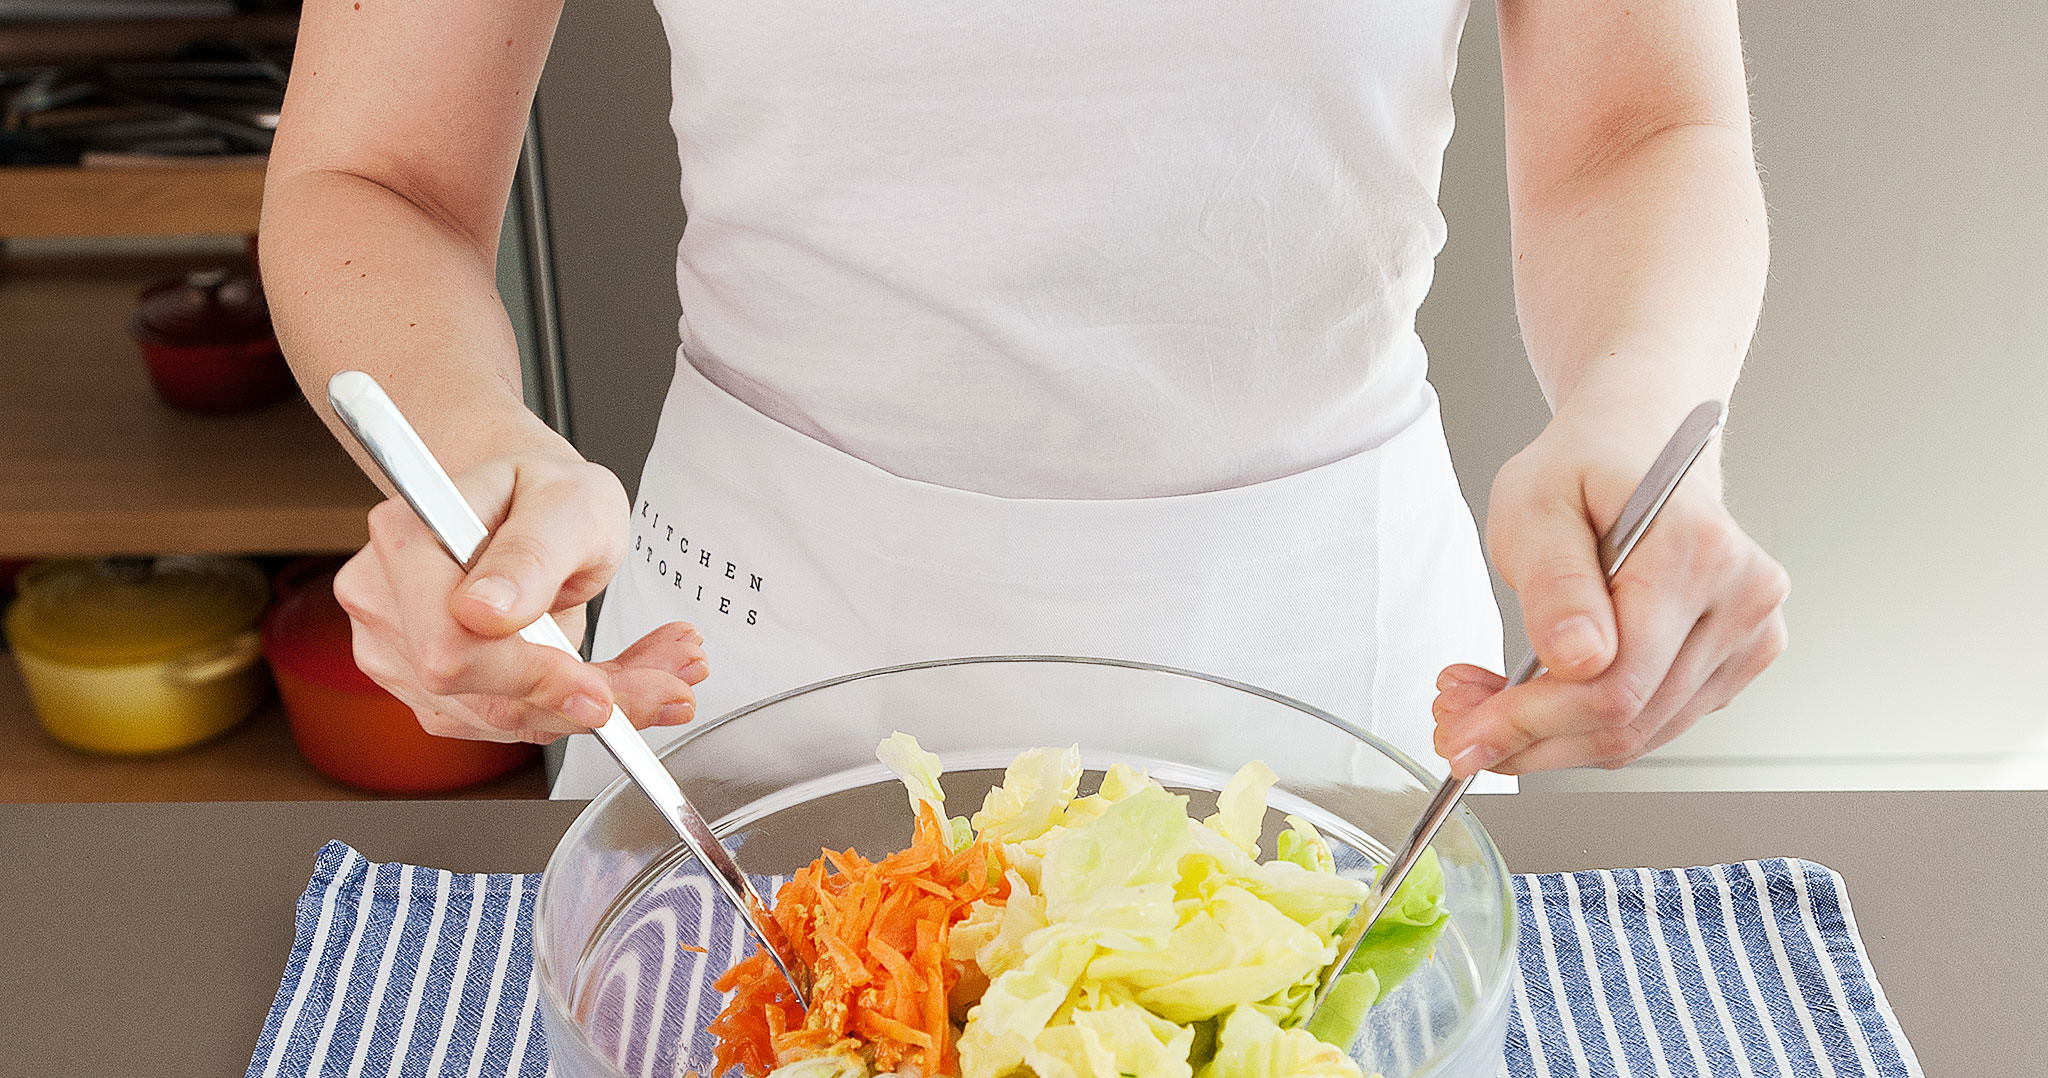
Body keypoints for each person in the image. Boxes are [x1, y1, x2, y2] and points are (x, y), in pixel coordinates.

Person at [263, 0, 1788, 796]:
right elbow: (371, 170)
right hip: (758, 669)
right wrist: (466, 456)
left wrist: (1637, 404)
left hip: (1337, 675)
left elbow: (1639, 127)